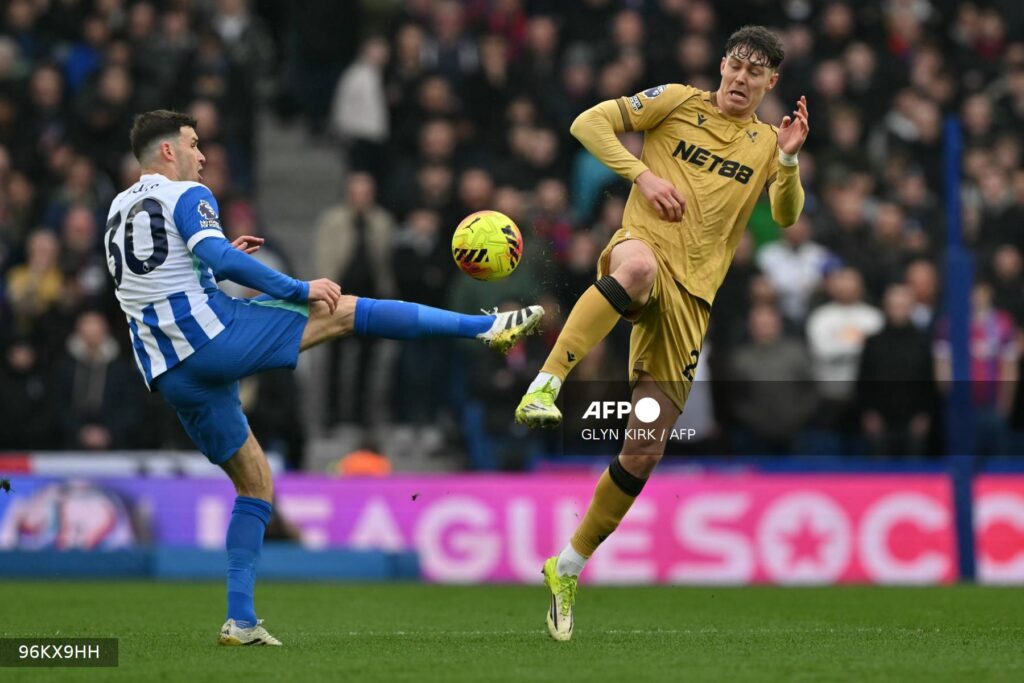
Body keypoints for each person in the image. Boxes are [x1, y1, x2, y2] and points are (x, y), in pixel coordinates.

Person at [104, 110, 544, 646]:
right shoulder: (186, 195)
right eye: (194, 145)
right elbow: (213, 254)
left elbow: (165, 276)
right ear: (168, 152)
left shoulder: (118, 209)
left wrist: (213, 266)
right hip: (212, 339)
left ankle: (239, 620)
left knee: (255, 484)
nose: (203, 156)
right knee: (342, 307)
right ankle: (486, 328)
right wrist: (295, 286)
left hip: (168, 371)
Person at [513, 26, 808, 641]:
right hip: (642, 249)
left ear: (770, 82)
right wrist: (641, 177)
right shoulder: (675, 100)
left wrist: (787, 159)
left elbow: (784, 216)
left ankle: (565, 567)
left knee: (644, 448)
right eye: (735, 65)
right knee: (638, 268)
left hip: (693, 301)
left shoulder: (763, 144)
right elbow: (588, 123)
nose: (740, 78)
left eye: (756, 72)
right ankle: (545, 382)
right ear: (722, 65)